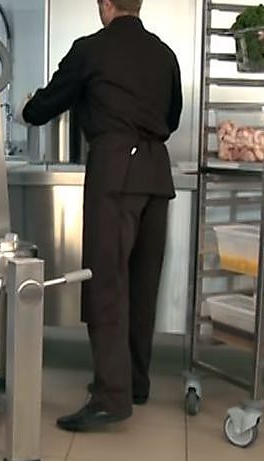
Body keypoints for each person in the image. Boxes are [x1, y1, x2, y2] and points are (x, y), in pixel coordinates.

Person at [20, 0, 183, 431]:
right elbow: (172, 118)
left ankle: (111, 396)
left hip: (114, 172)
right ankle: (134, 382)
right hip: (157, 174)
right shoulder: (164, 53)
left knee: (106, 282)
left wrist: (26, 108)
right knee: (142, 284)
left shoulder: (90, 49)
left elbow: (46, 105)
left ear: (106, 4)